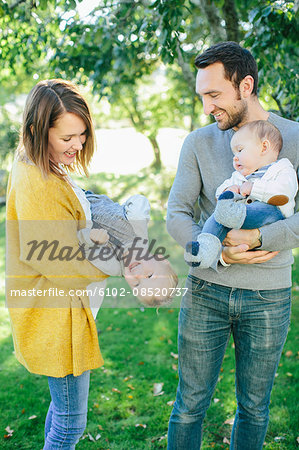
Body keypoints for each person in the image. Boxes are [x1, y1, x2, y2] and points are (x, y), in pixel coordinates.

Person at [166, 42, 299, 450]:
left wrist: (258, 237)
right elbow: (176, 214)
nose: (207, 107)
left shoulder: (294, 137)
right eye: (202, 96)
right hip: (205, 291)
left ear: (245, 85)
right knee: (189, 406)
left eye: (214, 95)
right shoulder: (198, 142)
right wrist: (214, 251)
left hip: (268, 296)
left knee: (255, 408)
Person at [6, 79, 109, 449]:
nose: (78, 144)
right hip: (57, 318)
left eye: (81, 135)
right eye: (67, 138)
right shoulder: (38, 181)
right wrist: (118, 256)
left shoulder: (38, 165)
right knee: (69, 425)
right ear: (38, 129)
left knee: (61, 409)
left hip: (61, 311)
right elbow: (62, 263)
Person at [184, 120, 298, 269]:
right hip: (238, 218)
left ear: (264, 147)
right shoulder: (239, 176)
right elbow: (221, 192)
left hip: (272, 216)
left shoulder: (282, 169)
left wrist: (253, 188)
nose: (235, 157)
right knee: (217, 217)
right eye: (234, 154)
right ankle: (202, 253)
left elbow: (284, 192)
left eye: (240, 150)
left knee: (238, 212)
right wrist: (227, 192)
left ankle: (231, 214)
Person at [78, 192, 178, 310]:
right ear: (160, 258)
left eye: (136, 285)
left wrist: (90, 238)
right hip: (86, 194)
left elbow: (82, 246)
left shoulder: (112, 266)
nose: (137, 275)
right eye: (149, 276)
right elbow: (139, 201)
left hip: (75, 210)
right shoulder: (139, 234)